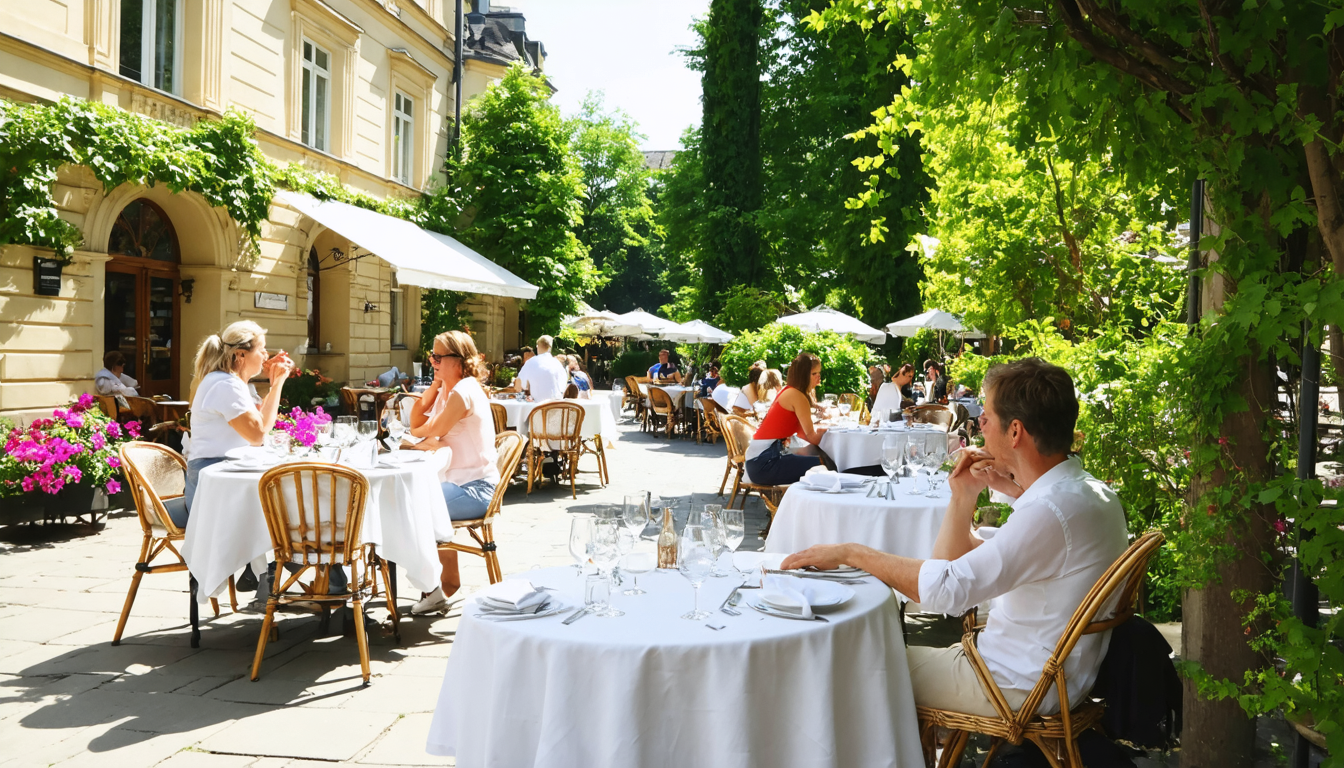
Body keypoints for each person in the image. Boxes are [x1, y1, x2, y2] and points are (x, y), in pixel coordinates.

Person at [782, 358, 1127, 719]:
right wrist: (963, 496)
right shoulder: (1087, 493)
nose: (979, 426)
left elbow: (944, 592)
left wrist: (850, 552)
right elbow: (952, 565)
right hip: (1050, 675)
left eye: (986, 418)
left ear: (1015, 432)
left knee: (848, 666)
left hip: (1014, 682)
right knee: (871, 653)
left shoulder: (1050, 512)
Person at [407, 330, 501, 613]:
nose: (432, 360)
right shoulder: (450, 388)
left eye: (437, 356)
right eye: (431, 355)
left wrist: (421, 436)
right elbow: (416, 420)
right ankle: (442, 583)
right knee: (415, 499)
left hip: (476, 488)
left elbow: (431, 430)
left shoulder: (463, 391)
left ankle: (437, 587)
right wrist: (436, 384)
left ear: (457, 360)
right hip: (458, 482)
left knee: (411, 505)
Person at [184, 321, 293, 521]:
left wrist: (276, 383)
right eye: (262, 350)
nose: (266, 356)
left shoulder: (231, 382)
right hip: (215, 484)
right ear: (241, 354)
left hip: (225, 476)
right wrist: (277, 384)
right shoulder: (225, 385)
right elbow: (258, 436)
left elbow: (261, 425)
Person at [743, 353, 828, 485]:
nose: (819, 377)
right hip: (765, 464)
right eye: (814, 374)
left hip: (757, 461)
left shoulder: (788, 390)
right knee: (827, 464)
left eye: (819, 373)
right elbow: (812, 437)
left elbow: (803, 434)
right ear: (803, 375)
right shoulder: (797, 396)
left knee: (817, 456)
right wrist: (827, 430)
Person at [516, 335, 568, 401]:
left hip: (537, 408)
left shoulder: (531, 362)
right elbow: (563, 385)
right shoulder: (557, 363)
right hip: (555, 406)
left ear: (537, 346)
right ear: (550, 348)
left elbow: (519, 384)